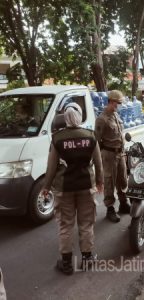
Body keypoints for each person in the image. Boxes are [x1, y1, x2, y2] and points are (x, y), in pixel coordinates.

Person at [42, 102, 104, 275]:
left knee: (65, 225)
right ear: (79, 116)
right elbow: (99, 164)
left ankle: (67, 264)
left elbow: (51, 167)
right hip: (86, 186)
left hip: (64, 188)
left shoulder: (57, 138)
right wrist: (100, 182)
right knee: (86, 223)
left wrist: (46, 187)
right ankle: (87, 259)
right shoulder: (90, 136)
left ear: (66, 119)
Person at [95, 90, 130, 223]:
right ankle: (110, 208)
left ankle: (123, 203)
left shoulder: (116, 115)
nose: (120, 105)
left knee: (123, 179)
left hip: (120, 153)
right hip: (108, 155)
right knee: (109, 181)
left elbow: (120, 135)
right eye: (118, 102)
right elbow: (97, 141)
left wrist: (123, 152)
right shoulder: (101, 119)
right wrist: (100, 158)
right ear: (111, 102)